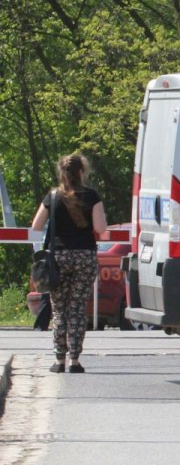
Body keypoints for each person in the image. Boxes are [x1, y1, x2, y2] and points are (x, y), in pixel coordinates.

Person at [31, 154, 107, 373]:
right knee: (77, 308)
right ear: (81, 172)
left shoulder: (53, 196)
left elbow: (36, 225)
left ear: (61, 172)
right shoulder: (92, 196)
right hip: (84, 257)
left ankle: (59, 361)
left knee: (59, 310)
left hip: (59, 258)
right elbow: (101, 229)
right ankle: (75, 360)